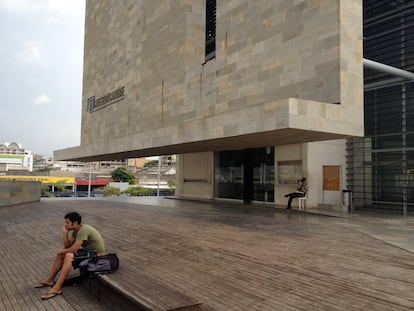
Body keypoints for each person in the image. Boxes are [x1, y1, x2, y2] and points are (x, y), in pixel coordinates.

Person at [34, 212, 105, 300]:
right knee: (62, 255)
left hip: (96, 255)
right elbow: (68, 246)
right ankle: (49, 280)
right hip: (88, 252)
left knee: (68, 256)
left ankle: (57, 288)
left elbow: (73, 249)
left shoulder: (83, 230)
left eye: (67, 223)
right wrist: (65, 233)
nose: (65, 225)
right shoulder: (76, 231)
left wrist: (62, 250)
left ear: (75, 223)